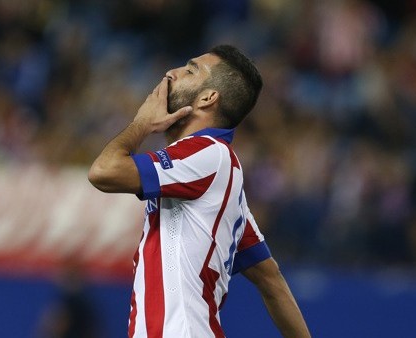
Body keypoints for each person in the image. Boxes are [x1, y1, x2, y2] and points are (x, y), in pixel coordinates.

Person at [88, 45, 310, 337]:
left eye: (190, 70)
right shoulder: (224, 186)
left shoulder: (208, 154)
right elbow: (271, 280)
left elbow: (103, 171)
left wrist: (141, 124)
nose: (172, 73)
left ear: (208, 98)